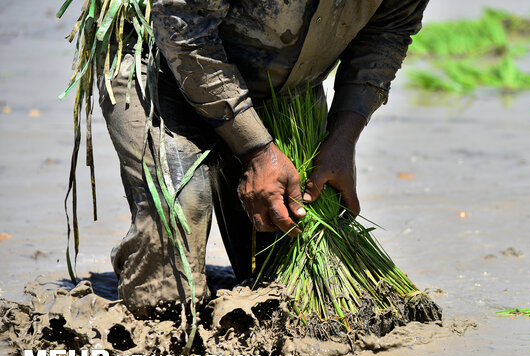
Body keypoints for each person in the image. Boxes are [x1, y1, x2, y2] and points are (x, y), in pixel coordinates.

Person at [98, 0, 429, 318]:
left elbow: (389, 30)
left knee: (281, 270)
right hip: (161, 59)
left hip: (281, 86)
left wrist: (343, 139)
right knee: (176, 246)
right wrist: (257, 150)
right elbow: (184, 29)